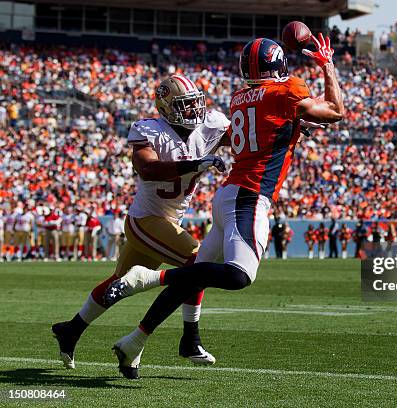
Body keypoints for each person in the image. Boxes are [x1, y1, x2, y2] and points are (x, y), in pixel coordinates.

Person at [103, 34, 344, 379]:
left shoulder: (240, 97)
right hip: (250, 194)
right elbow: (336, 110)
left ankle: (135, 342)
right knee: (238, 275)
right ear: (278, 65)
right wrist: (327, 64)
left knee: (193, 278)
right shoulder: (286, 90)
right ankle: (151, 277)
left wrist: (295, 125)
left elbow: (265, 127)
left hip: (229, 193)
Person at [51, 74, 229, 371]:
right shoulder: (149, 130)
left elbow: (246, 138)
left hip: (166, 222)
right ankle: (190, 337)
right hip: (145, 220)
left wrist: (289, 129)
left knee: (115, 284)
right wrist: (197, 164)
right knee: (197, 262)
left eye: (194, 103)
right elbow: (147, 168)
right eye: (184, 106)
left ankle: (71, 329)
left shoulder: (209, 125)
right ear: (166, 108)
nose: (193, 111)